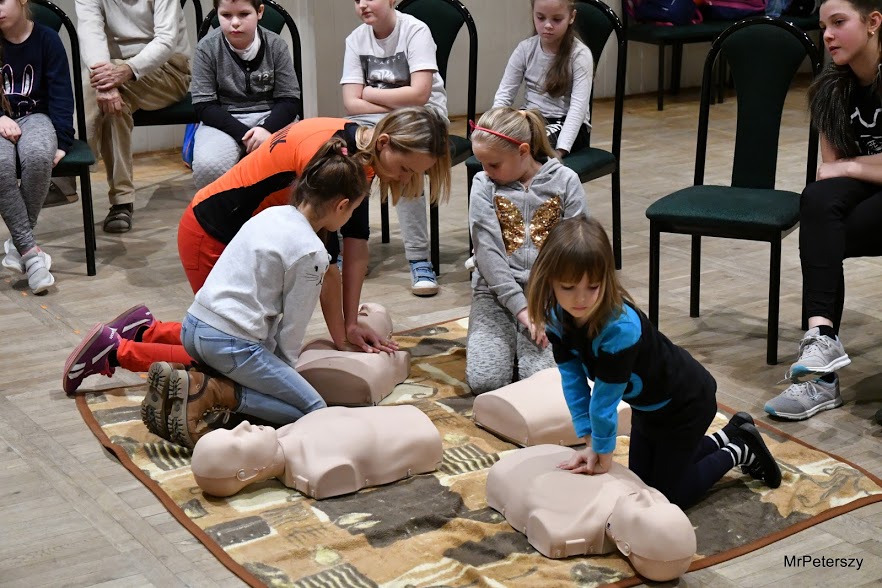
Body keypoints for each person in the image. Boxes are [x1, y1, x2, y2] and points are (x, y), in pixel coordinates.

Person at [64, 138, 370, 450]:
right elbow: (292, 332)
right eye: (353, 211)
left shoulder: (271, 214)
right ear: (341, 205)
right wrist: (283, 381)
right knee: (314, 410)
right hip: (229, 343)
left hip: (194, 325)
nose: (348, 220)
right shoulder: (312, 253)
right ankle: (218, 392)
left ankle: (212, 385)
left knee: (268, 382)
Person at [526, 216, 782, 508]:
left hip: (687, 404)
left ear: (606, 280)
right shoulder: (558, 319)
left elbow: (604, 401)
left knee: (668, 497)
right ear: (550, 280)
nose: (580, 299)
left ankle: (739, 448)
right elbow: (572, 381)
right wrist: (588, 439)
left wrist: (601, 448)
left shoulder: (619, 329)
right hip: (648, 410)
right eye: (568, 288)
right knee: (643, 484)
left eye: (593, 287)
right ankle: (731, 433)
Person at [179, 107, 450, 351]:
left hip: (239, 235)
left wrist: (351, 324)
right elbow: (327, 267)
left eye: (415, 174)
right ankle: (138, 342)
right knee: (224, 349)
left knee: (238, 345)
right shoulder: (329, 155)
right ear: (384, 143)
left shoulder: (359, 156)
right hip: (210, 233)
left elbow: (357, 243)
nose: (405, 179)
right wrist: (342, 338)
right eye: (405, 169)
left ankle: (145, 332)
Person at [764, 0, 882, 421]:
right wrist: (851, 169)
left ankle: (824, 368)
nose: (827, 35)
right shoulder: (832, 87)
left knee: (823, 236)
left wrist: (853, 165)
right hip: (870, 195)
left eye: (838, 23)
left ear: (872, 23)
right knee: (816, 203)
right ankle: (822, 346)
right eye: (823, 26)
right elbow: (826, 176)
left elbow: (839, 166)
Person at [466, 107, 586, 394]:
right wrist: (521, 310)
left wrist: (545, 306)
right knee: (486, 381)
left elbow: (576, 251)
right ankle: (507, 338)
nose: (486, 171)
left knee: (544, 383)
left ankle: (522, 344)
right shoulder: (483, 184)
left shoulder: (567, 181)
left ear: (523, 150)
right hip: (495, 293)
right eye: (482, 163)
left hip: (549, 296)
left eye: (494, 164)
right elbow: (488, 254)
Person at [342, 0, 449, 296]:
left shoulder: (415, 30)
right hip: (377, 119)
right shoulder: (355, 39)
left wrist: (370, 92)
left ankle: (418, 258)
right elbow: (350, 103)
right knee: (346, 147)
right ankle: (353, 247)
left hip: (424, 118)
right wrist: (392, 101)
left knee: (405, 149)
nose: (362, 4)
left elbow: (420, 94)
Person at [486, 445, 696, 581]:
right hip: (552, 453)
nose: (646, 495)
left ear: (624, 546)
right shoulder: (642, 492)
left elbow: (544, 527)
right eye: (660, 502)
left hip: (513, 469)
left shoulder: (567, 527)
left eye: (644, 508)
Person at [74, 0, 191, 233]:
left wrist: (126, 70)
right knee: (112, 105)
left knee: (93, 85)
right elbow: (91, 33)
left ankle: (72, 167)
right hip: (114, 76)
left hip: (168, 71)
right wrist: (107, 83)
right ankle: (121, 202)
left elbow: (166, 40)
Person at [189, 405, 442, 499]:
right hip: (424, 438)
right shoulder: (320, 471)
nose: (242, 425)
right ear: (245, 474)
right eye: (237, 441)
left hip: (407, 416)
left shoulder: (289, 433)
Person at [0, 0, 73, 294]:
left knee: (38, 155)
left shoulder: (47, 39)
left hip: (37, 118)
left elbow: (61, 95)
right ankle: (32, 256)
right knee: (1, 166)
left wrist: (63, 141)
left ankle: (18, 244)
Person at [189, 0, 301, 189]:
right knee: (208, 167)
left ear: (259, 12)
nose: (234, 22)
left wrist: (266, 129)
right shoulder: (206, 48)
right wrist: (244, 135)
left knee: (294, 161)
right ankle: (224, 215)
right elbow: (204, 106)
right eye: (226, 15)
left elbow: (289, 100)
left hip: (272, 117)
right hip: (223, 122)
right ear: (217, 13)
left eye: (243, 14)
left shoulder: (276, 45)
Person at [492, 0, 593, 159]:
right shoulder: (525, 49)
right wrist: (493, 127)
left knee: (527, 147)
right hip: (531, 117)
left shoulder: (580, 55)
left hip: (565, 123)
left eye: (557, 19)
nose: (547, 25)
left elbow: (578, 109)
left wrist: (560, 150)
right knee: (499, 141)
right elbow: (504, 95)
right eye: (540, 17)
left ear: (571, 17)